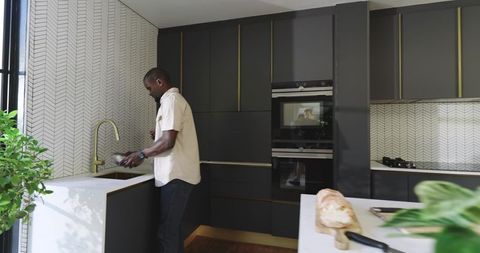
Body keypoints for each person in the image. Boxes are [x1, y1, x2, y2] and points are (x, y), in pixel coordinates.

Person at [120, 67, 200, 253]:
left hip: (176, 177)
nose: (149, 93)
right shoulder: (172, 101)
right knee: (173, 230)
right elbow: (168, 138)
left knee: (166, 233)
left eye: (149, 88)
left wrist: (141, 154)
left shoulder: (171, 100)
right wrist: (151, 142)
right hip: (178, 176)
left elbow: (168, 142)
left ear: (159, 82)